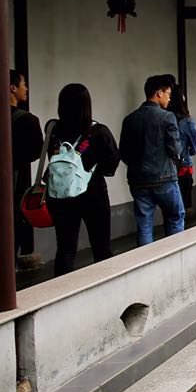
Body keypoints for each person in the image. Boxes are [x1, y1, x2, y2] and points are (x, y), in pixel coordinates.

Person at [47, 83, 120, 276]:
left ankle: (61, 289)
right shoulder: (99, 131)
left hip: (60, 195)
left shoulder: (52, 129)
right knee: (101, 247)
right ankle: (105, 285)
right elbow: (112, 162)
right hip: (93, 195)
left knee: (65, 249)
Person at [119, 74, 185, 246]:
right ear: (159, 93)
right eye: (168, 94)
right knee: (175, 217)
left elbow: (124, 152)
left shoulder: (129, 119)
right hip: (165, 177)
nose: (170, 98)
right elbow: (175, 149)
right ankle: (175, 253)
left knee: (144, 225)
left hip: (138, 180)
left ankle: (146, 259)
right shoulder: (167, 117)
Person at [10, 69, 45, 270]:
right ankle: (10, 265)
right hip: (17, 180)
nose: (26, 88)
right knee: (15, 220)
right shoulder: (27, 120)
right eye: (23, 84)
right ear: (12, 88)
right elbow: (36, 151)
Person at [169, 85, 196, 215]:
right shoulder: (186, 122)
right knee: (184, 202)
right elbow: (194, 148)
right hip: (183, 165)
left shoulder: (164, 117)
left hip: (165, 166)